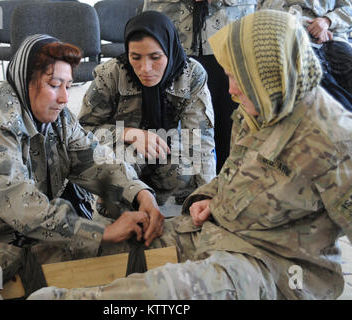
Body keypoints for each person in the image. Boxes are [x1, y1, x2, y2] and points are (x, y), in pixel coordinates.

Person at [28, 10, 351, 300]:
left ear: (267, 71)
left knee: (161, 290)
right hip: (215, 232)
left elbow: (202, 145)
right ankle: (5, 273)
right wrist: (208, 197)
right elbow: (236, 175)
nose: (230, 90)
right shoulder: (260, 111)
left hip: (270, 266)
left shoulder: (334, 141)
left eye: (237, 76)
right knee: (115, 247)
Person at [0, 34, 165, 286]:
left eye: (68, 86)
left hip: (17, 233)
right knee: (6, 272)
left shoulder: (58, 117)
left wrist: (141, 194)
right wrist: (103, 232)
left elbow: (96, 162)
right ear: (25, 81)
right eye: (54, 84)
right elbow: (25, 209)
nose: (64, 98)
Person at [78, 11, 216, 208]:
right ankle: (121, 202)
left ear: (169, 50)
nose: (145, 68)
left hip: (164, 143)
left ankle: (148, 200)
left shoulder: (191, 74)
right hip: (120, 148)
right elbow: (82, 131)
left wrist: (206, 197)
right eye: (136, 57)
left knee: (185, 169)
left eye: (155, 57)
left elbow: (200, 139)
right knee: (119, 168)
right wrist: (128, 133)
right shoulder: (110, 74)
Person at [143, 0, 257, 173]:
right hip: (172, 29)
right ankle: (180, 179)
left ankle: (227, 177)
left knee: (229, 114)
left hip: (230, 29)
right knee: (173, 114)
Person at [258, 0, 352, 111]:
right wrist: (301, 28)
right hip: (290, 37)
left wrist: (328, 21)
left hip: (332, 37)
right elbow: (262, 12)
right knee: (323, 91)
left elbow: (348, 9)